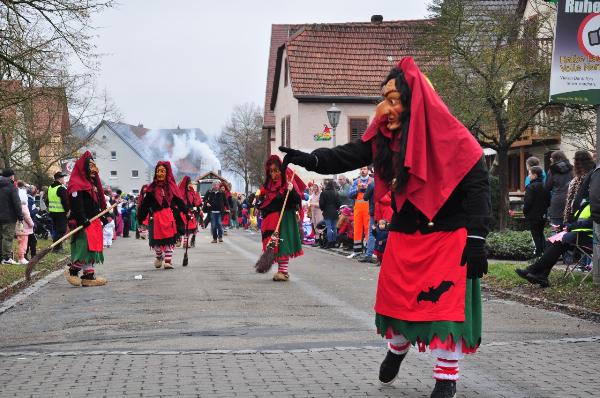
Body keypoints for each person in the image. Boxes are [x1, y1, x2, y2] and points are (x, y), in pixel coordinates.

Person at [280, 57, 490, 398]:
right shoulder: (385, 139)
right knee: (396, 301)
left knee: (446, 307)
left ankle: (446, 378)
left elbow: (479, 188)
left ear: (415, 103)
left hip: (450, 233)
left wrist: (477, 239)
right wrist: (312, 159)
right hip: (407, 232)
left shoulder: (457, 138)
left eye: (393, 100)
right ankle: (397, 348)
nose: (384, 108)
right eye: (384, 98)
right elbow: (349, 154)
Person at [516, 176, 593, 288]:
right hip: (579, 236)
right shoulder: (586, 204)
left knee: (559, 242)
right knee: (551, 242)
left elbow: (590, 223)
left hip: (590, 239)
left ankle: (534, 270)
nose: (589, 189)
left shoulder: (594, 205)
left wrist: (569, 228)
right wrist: (562, 227)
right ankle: (542, 276)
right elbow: (576, 222)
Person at [256, 155, 305, 282]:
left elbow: (296, 200)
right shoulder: (268, 185)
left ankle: (283, 272)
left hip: (285, 217)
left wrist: (292, 190)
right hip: (272, 218)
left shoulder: (288, 181)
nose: (273, 174)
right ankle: (281, 271)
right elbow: (264, 199)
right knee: (274, 244)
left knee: (283, 243)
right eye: (271, 171)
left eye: (276, 170)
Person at [64, 151, 109, 287]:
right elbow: (77, 206)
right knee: (84, 248)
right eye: (90, 166)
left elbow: (96, 202)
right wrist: (83, 219)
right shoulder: (76, 185)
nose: (93, 169)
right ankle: (72, 270)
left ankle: (88, 276)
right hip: (83, 222)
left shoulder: (91, 184)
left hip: (93, 221)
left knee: (92, 249)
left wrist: (104, 216)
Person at [137, 161, 187, 269]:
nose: (160, 173)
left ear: (167, 173)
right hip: (155, 217)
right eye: (158, 171)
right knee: (156, 242)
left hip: (168, 216)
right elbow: (145, 204)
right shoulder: (151, 188)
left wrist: (186, 211)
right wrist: (141, 218)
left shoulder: (171, 187)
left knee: (169, 239)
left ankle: (168, 261)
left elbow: (179, 200)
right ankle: (159, 256)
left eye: (163, 171)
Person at [523, 166, 549, 257]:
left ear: (534, 175)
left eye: (529, 174)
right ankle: (544, 252)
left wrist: (525, 211)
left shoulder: (531, 187)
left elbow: (528, 202)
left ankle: (538, 253)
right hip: (543, 214)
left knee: (535, 234)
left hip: (533, 215)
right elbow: (548, 200)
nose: (528, 176)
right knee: (541, 233)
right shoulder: (545, 185)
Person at [564, 150, 595, 226]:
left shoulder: (577, 180)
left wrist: (567, 221)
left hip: (579, 214)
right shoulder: (593, 175)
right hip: (587, 215)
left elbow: (571, 202)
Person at [0, 169, 24, 264]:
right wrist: (20, 217)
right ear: (11, 176)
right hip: (9, 217)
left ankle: (1, 257)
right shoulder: (12, 187)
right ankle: (6, 258)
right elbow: (17, 203)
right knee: (7, 237)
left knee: (1, 237)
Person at [545, 150, 573, 228]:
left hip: (557, 203)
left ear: (553, 159)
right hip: (571, 201)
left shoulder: (552, 170)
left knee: (556, 231)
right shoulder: (572, 168)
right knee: (568, 230)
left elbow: (547, 187)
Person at [349, 166, 374, 255]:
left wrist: (368, 188)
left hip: (368, 206)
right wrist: (357, 189)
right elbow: (350, 194)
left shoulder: (372, 181)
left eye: (364, 169)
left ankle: (369, 250)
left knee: (368, 228)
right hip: (358, 208)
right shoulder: (356, 181)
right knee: (357, 228)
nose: (363, 171)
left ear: (368, 170)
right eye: (361, 169)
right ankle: (357, 251)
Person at [45, 171, 69, 252]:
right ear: (59, 179)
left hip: (52, 212)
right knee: (61, 230)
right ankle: (57, 247)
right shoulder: (61, 188)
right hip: (61, 212)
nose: (64, 179)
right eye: (63, 178)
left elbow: (47, 200)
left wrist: (50, 208)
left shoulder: (50, 188)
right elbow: (65, 202)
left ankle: (57, 246)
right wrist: (68, 211)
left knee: (56, 229)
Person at [178, 176, 201, 248]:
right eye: (189, 183)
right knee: (183, 227)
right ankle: (179, 240)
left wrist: (197, 206)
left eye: (190, 183)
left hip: (190, 211)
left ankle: (185, 243)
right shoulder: (181, 191)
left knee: (189, 228)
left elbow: (194, 201)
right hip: (182, 211)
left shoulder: (191, 191)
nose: (190, 184)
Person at [360, 180, 378, 263]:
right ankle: (382, 254)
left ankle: (369, 255)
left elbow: (365, 197)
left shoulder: (372, 184)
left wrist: (365, 189)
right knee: (385, 232)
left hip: (374, 211)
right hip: (386, 210)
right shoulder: (387, 182)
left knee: (372, 233)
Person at [15, 184, 34, 265]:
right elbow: (27, 216)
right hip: (25, 228)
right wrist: (32, 224)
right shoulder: (24, 206)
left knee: (20, 242)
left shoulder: (16, 206)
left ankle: (21, 257)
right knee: (23, 244)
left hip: (18, 227)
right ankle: (21, 258)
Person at [319, 180, 341, 248]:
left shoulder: (324, 193)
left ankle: (329, 242)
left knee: (329, 227)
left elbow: (321, 203)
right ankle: (334, 242)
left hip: (327, 211)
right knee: (334, 228)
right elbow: (339, 203)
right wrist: (336, 208)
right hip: (334, 211)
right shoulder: (336, 193)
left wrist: (323, 209)